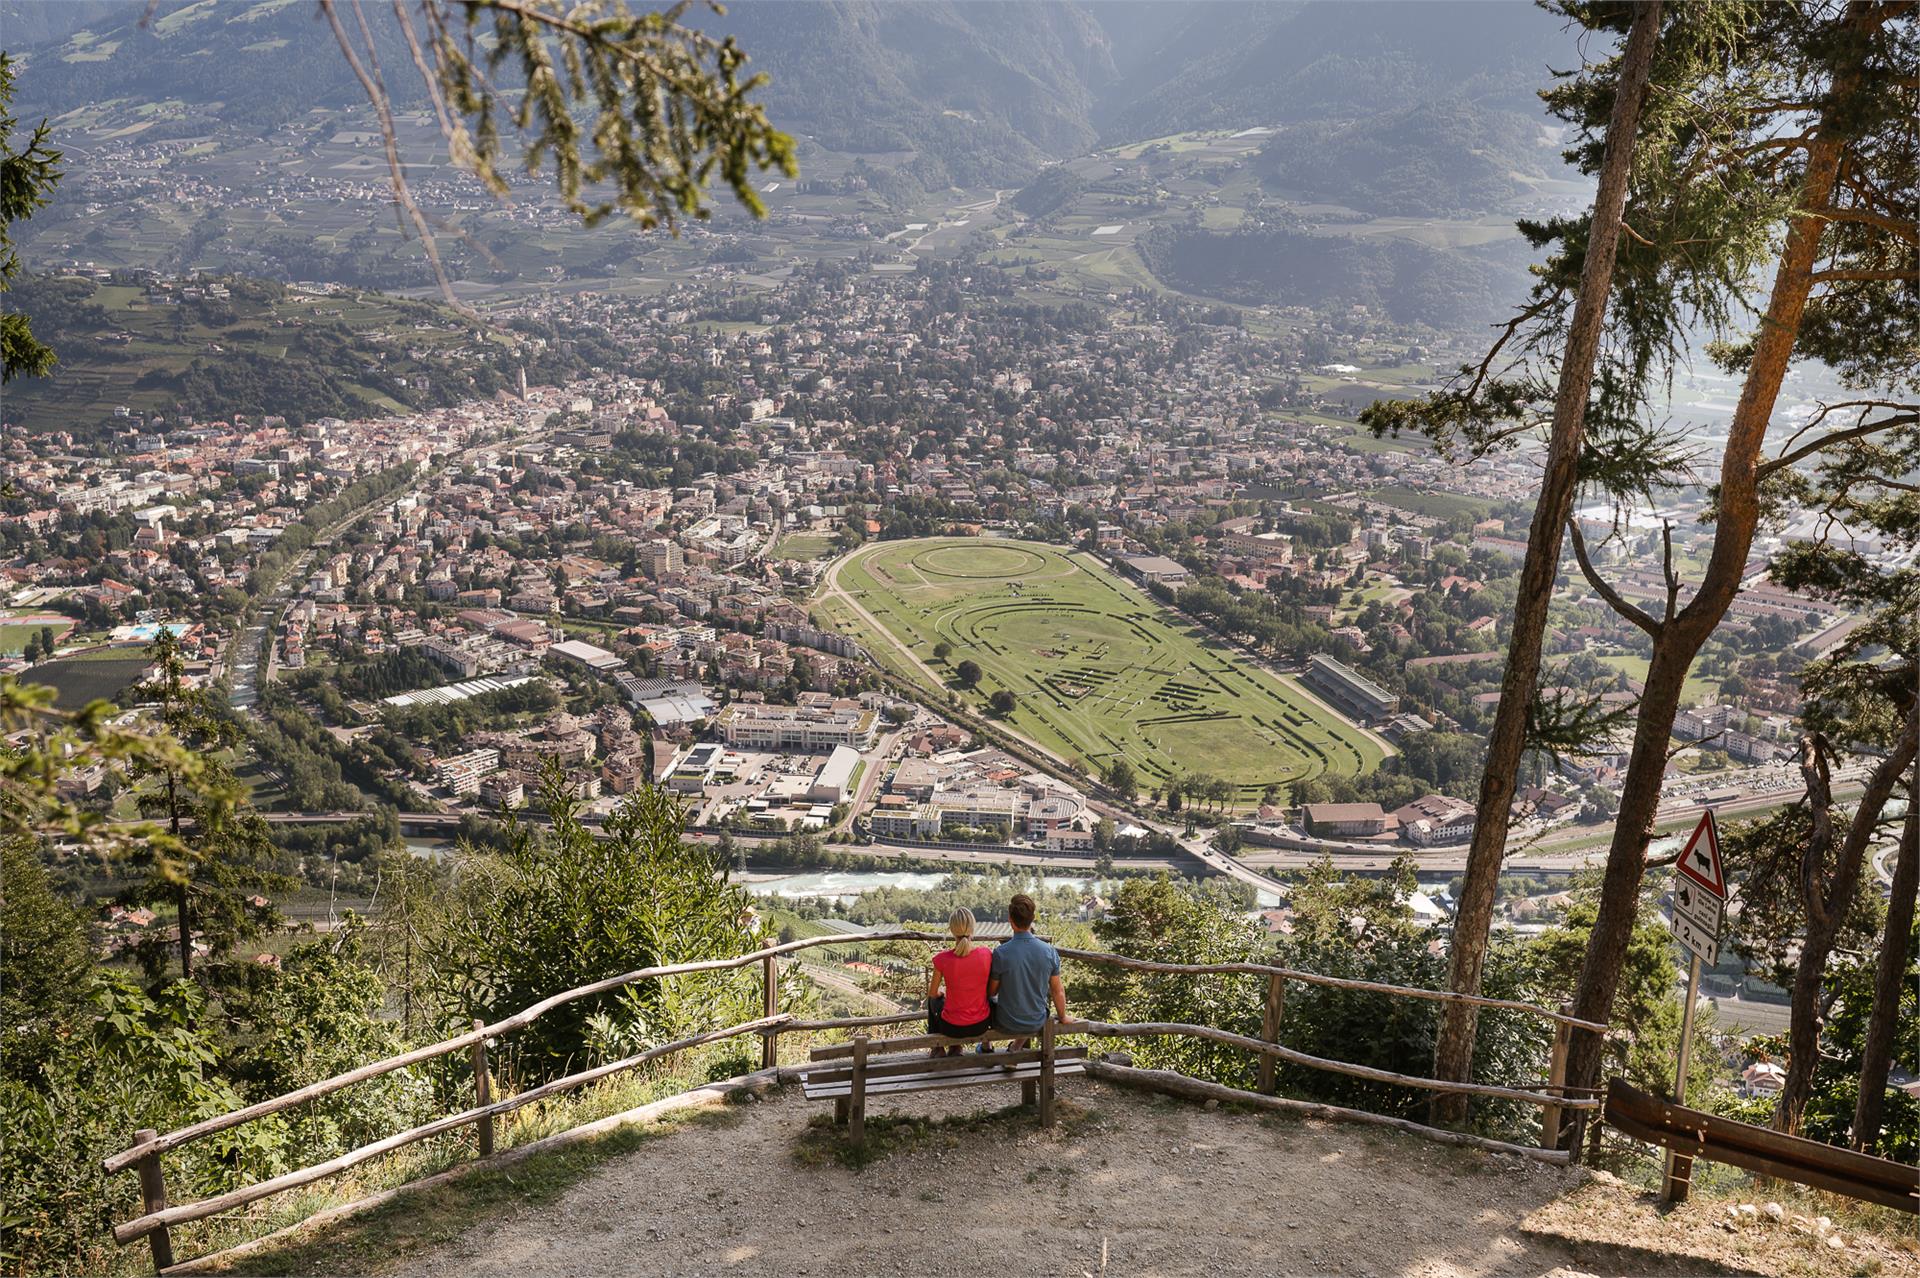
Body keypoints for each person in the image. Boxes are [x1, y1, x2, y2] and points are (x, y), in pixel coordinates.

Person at [986, 892, 1070, 1052]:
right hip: (1036, 1021)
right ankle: (1016, 1046)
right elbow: (1057, 990)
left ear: (1010, 920)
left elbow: (992, 991)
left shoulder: (1001, 953)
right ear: (1033, 918)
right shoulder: (1049, 952)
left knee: (987, 1002)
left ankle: (986, 1046)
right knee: (1037, 1006)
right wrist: (1063, 1016)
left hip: (1006, 1022)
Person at [925, 907, 992, 1057]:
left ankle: (939, 1048)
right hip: (980, 1025)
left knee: (933, 1000)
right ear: (972, 928)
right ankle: (956, 1048)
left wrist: (942, 992)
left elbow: (932, 993)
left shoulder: (942, 959)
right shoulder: (986, 954)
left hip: (952, 1027)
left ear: (952, 930)